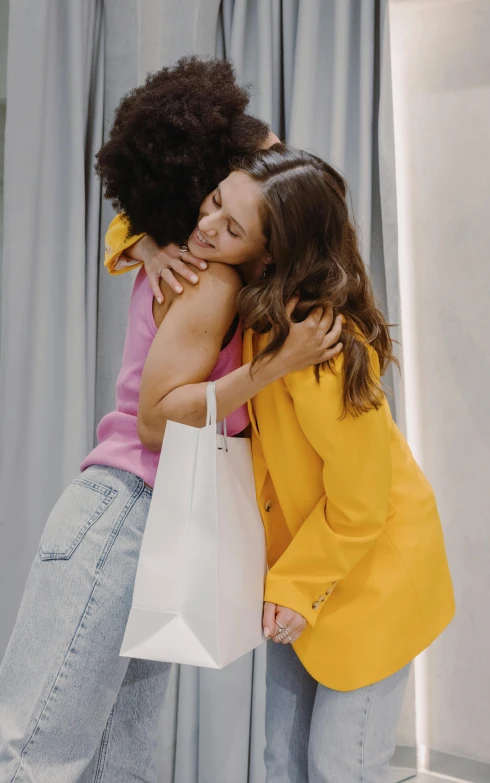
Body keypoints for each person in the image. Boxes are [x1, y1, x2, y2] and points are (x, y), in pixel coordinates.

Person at [0, 59, 341, 783]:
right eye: (254, 165)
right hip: (126, 510)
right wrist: (272, 367)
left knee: (120, 761)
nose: (275, 168)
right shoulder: (210, 277)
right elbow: (156, 422)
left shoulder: (197, 258)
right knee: (28, 754)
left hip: (154, 516)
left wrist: (136, 237)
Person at [106, 145, 455, 783]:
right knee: (282, 762)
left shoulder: (316, 342)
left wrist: (297, 588)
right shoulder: (252, 301)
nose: (208, 224)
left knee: (337, 768)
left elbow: (362, 498)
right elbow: (134, 210)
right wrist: (147, 247)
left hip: (368, 577)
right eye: (212, 201)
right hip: (297, 567)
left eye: (232, 226)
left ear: (270, 252)